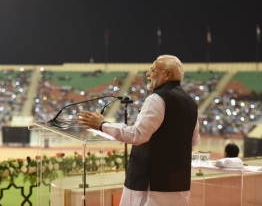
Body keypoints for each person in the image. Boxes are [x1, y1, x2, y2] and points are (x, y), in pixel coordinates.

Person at [77, 55, 200, 206]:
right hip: (178, 183)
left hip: (150, 183)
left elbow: (137, 135)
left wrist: (102, 125)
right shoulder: (191, 103)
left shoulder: (157, 98)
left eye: (153, 70)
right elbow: (194, 140)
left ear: (167, 74)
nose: (148, 74)